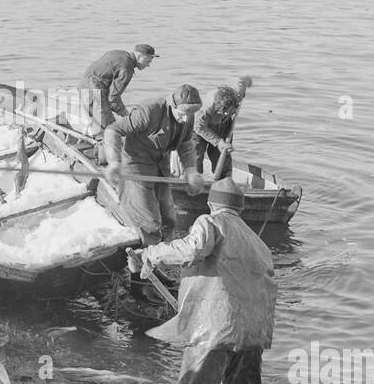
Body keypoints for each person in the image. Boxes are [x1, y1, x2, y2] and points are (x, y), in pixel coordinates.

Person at [131, 178, 277, 384]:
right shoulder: (259, 243)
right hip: (254, 333)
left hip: (216, 326)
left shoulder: (211, 222)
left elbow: (193, 247)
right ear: (240, 208)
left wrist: (152, 254)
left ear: (213, 203)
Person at [102, 83, 205, 247]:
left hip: (160, 163)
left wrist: (191, 171)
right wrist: (114, 163)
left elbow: (186, 144)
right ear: (173, 105)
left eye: (191, 114)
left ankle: (166, 252)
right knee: (148, 220)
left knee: (168, 217)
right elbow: (113, 131)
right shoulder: (149, 111)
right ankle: (145, 256)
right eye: (183, 113)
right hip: (135, 164)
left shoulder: (188, 116)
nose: (186, 118)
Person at [79, 44, 157, 136]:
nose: (148, 65)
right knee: (111, 130)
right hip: (94, 90)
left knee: (100, 125)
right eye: (148, 60)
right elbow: (113, 98)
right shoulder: (127, 67)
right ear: (139, 56)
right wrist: (126, 115)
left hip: (84, 85)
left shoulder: (119, 53)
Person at [193, 76, 252, 181]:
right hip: (200, 128)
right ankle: (194, 181)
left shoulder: (236, 96)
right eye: (223, 111)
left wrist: (247, 81)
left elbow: (241, 82)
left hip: (222, 126)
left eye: (229, 111)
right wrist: (218, 142)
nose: (226, 113)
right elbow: (199, 127)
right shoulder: (205, 108)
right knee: (196, 154)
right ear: (217, 105)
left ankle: (224, 181)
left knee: (222, 155)